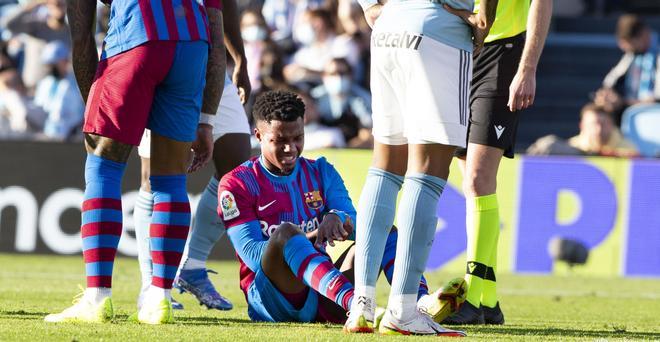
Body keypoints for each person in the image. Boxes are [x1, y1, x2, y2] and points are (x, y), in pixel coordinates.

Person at [219, 90, 462, 335]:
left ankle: (418, 304)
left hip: (323, 291)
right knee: (285, 234)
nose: (290, 148)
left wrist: (339, 219)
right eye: (279, 140)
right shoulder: (237, 183)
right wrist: (306, 237)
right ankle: (356, 305)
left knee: (384, 230)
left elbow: (360, 223)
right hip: (275, 299)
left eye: (298, 138)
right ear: (258, 135)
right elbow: (251, 255)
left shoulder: (321, 171)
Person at [44, 0, 225, 325]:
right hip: (193, 46)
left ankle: (97, 298)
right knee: (171, 179)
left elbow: (82, 37)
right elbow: (217, 35)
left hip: (136, 37)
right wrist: (207, 119)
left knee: (103, 167)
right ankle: (160, 299)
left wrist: (96, 112)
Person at [349, 0, 497, 335]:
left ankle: (362, 304)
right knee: (428, 173)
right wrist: (482, 20)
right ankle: (402, 310)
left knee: (384, 166)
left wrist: (369, 5)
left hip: (389, 28)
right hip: (440, 31)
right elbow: (484, 17)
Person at [133, 0, 252, 312]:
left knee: (238, 167)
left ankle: (193, 266)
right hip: (161, 55)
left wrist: (239, 57)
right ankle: (153, 284)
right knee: (153, 177)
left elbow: (225, 5)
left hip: (210, 63)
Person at [442, 0, 552, 325]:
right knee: (473, 184)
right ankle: (488, 301)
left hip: (504, 54)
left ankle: (472, 297)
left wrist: (527, 68)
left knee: (478, 178)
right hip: (460, 55)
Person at [3, 0, 70, 91]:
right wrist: (36, 3)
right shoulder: (36, 26)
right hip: (33, 87)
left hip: (59, 90)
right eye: (55, 4)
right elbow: (9, 24)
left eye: (62, 4)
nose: (58, 7)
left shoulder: (69, 33)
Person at [309, 57, 372, 148]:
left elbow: (367, 132)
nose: (338, 77)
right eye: (332, 74)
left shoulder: (362, 98)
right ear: (324, 76)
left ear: (351, 75)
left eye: (342, 73)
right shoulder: (314, 97)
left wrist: (345, 148)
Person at [33, 40, 84, 140]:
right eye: (49, 64)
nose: (51, 68)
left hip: (71, 137)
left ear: (64, 61)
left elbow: (80, 112)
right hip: (46, 135)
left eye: (54, 64)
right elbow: (39, 109)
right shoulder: (44, 83)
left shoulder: (76, 83)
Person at [568, 103, 639, 157]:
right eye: (593, 124)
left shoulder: (629, 149)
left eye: (603, 124)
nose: (599, 129)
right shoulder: (571, 147)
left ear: (612, 125)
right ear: (582, 126)